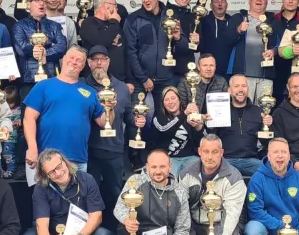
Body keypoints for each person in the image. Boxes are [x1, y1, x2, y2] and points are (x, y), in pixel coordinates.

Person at [18, 150, 116, 235]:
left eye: (59, 166)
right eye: (51, 172)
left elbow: (97, 215)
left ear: (65, 162)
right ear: (45, 175)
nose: (58, 173)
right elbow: (42, 225)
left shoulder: (86, 179)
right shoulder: (41, 188)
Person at [24, 45, 109, 172]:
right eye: (71, 57)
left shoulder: (90, 92)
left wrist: (110, 108)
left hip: (78, 160)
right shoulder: (43, 86)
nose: (74, 62)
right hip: (45, 159)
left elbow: (103, 122)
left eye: (79, 60)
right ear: (63, 59)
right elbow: (28, 118)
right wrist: (32, 148)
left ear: (83, 66)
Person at [84, 45, 144, 224]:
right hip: (89, 151)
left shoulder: (122, 88)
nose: (99, 63)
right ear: (89, 63)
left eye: (103, 59)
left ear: (109, 62)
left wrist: (137, 121)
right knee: (89, 197)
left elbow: (128, 116)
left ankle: (118, 232)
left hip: (114, 150)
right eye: (95, 59)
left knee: (116, 194)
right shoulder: (81, 86)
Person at [178, 135, 246, 235]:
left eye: (214, 152)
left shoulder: (234, 177)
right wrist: (189, 234)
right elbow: (182, 208)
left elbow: (232, 212)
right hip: (195, 223)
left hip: (221, 223)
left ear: (222, 152)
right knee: (178, 234)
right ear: (199, 152)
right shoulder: (185, 174)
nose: (210, 157)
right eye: (206, 151)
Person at [123, 0, 190, 109]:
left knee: (166, 116)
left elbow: (184, 48)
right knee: (138, 117)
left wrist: (178, 38)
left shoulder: (171, 16)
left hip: (167, 79)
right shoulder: (133, 19)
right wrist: (143, 78)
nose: (146, 0)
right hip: (140, 80)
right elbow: (130, 52)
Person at [207, 74, 272, 177]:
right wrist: (210, 122)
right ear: (229, 90)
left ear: (248, 89)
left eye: (244, 86)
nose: (240, 90)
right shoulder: (220, 110)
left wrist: (267, 127)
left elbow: (266, 143)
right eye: (236, 86)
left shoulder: (258, 111)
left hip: (251, 161)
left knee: (271, 172)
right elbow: (211, 137)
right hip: (226, 160)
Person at [224, 0, 276, 104]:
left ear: (267, 3)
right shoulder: (238, 18)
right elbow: (227, 40)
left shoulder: (273, 21)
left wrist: (273, 51)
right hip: (243, 75)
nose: (259, 0)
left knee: (265, 108)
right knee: (243, 106)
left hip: (266, 75)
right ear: (249, 1)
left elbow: (280, 43)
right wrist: (238, 30)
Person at [12, 0, 68, 91]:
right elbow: (20, 48)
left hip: (52, 77)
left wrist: (45, 53)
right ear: (28, 4)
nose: (41, 3)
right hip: (28, 80)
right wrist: (49, 44)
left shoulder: (55, 26)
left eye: (44, 1)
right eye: (37, 0)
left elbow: (62, 47)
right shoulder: (19, 25)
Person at [150, 86, 205, 176]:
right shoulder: (158, 118)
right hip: (168, 158)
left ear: (179, 100)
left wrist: (199, 128)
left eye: (173, 98)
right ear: (163, 103)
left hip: (190, 157)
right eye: (166, 100)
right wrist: (184, 114)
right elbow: (166, 129)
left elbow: (202, 141)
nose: (170, 102)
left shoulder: (190, 116)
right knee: (170, 178)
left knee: (195, 177)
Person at [79, 0, 128, 83]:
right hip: (96, 81)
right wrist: (114, 21)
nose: (117, 9)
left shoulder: (115, 24)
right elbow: (102, 42)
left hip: (119, 81)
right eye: (114, 5)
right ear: (105, 6)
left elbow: (125, 52)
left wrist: (129, 80)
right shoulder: (88, 23)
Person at [197, 0, 236, 77]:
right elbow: (198, 10)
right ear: (211, 5)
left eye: (222, 1)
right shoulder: (203, 20)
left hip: (229, 71)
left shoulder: (234, 22)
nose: (220, 4)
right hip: (208, 71)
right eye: (216, 2)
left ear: (227, 5)